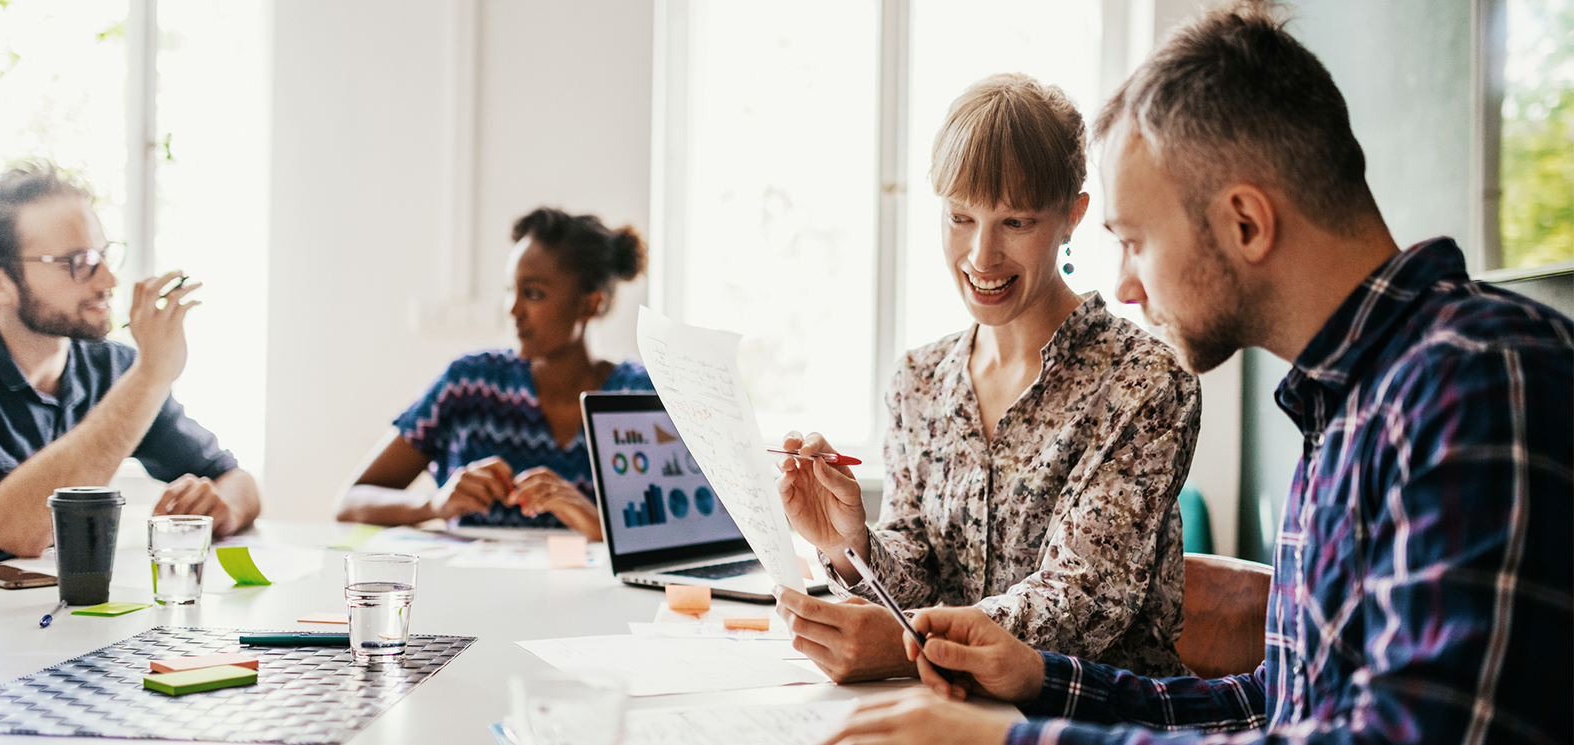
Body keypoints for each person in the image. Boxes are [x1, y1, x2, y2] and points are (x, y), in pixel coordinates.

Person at [819, 3, 1573, 744]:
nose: (1123, 288)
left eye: (1136, 241)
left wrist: (1011, 741)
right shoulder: (1348, 404)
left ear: (1246, 223)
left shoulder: (1477, 382)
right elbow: (1276, 706)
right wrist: (1040, 680)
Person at [775, 73, 1203, 683]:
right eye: (960, 217)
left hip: (1092, 721)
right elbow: (917, 565)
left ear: (1072, 216)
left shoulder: (1147, 384)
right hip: (944, 711)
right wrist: (853, 547)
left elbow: (1081, 600)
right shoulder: (916, 382)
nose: (981, 255)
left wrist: (908, 641)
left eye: (1017, 222)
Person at [0, 161, 261, 561]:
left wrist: (220, 506)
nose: (109, 280)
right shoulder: (136, 377)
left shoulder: (113, 369)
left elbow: (237, 480)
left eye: (105, 256)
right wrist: (150, 378)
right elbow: (17, 530)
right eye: (79, 262)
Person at [335, 207, 651, 542]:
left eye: (533, 293)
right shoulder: (469, 383)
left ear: (590, 304)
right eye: (509, 290)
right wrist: (434, 504)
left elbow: (685, 533)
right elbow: (349, 502)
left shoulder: (638, 399)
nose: (512, 310)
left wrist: (596, 523)